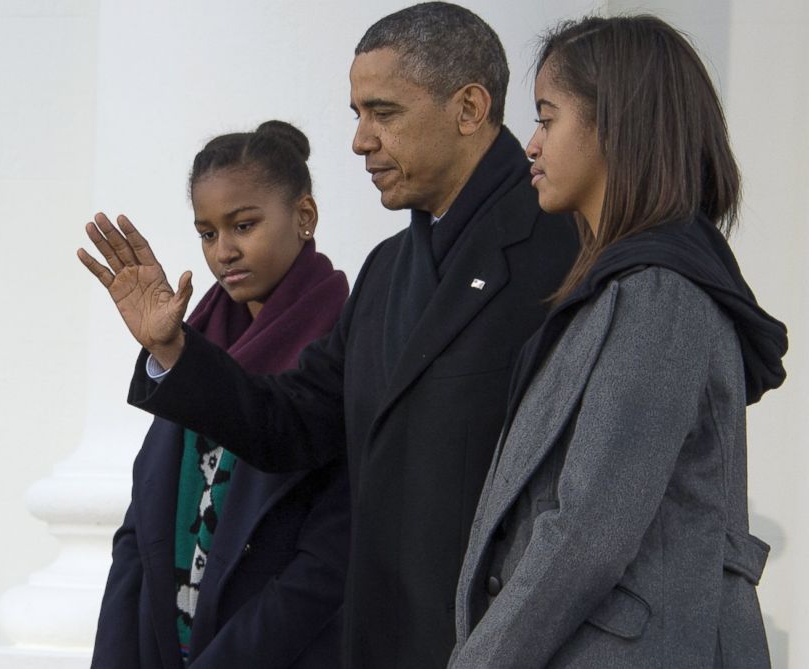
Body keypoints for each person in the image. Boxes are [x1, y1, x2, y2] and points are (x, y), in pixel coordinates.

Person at [76, 3, 579, 666]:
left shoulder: (566, 255)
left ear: (469, 107)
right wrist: (173, 351)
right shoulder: (386, 271)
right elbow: (290, 424)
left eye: (384, 112)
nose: (360, 141)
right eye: (357, 115)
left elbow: (575, 507)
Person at [448, 15, 785, 666]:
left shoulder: (659, 296)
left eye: (548, 117)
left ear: (615, 125)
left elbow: (589, 531)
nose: (532, 145)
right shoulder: (631, 290)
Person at [92, 121, 350, 668]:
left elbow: (326, 562)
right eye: (208, 233)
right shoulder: (198, 340)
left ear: (304, 217)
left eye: (244, 225)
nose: (224, 251)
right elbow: (140, 537)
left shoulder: (343, 343)